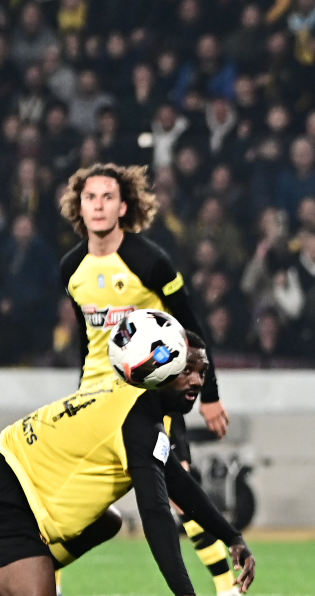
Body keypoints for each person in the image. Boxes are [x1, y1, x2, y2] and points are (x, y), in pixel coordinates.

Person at [57, 163, 238, 595]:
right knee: (61, 499)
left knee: (181, 495)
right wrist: (82, 391)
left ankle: (228, 587)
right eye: (90, 197)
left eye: (107, 197)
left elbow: (192, 327)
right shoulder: (71, 268)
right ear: (79, 206)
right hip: (96, 398)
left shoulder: (150, 262)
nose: (98, 206)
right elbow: (88, 339)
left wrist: (209, 394)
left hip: (150, 397)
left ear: (123, 207)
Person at [0, 320, 256, 596]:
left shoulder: (134, 398)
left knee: (107, 522)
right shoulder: (138, 422)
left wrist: (232, 536)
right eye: (186, 370)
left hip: (12, 478)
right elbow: (156, 515)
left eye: (202, 372)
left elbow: (180, 484)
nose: (197, 381)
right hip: (11, 492)